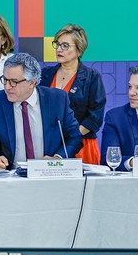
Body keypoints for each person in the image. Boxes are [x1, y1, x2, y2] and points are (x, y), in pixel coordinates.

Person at [0, 53, 83, 170]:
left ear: (32, 82)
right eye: (5, 80)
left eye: (14, 82)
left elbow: (75, 137)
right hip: (12, 176)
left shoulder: (57, 100)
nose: (7, 87)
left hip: (49, 173)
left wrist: (57, 158)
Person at [40, 25, 106, 164]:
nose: (59, 49)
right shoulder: (45, 75)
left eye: (65, 46)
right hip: (50, 146)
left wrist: (71, 138)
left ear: (79, 50)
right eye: (57, 44)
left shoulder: (91, 77)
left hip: (81, 145)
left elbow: (95, 117)